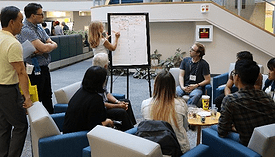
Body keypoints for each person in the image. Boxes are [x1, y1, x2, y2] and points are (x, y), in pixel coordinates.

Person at [218, 59, 275, 146]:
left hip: (245, 147)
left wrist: (233, 128)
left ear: (237, 77)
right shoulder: (266, 96)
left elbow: (222, 132)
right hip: (266, 146)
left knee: (212, 129)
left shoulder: (230, 100)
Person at [0, 6, 33, 157]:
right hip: (8, 90)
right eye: (20, 21)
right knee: (20, 126)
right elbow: (21, 72)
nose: (22, 25)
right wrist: (27, 97)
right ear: (11, 22)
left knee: (3, 127)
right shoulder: (13, 44)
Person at [17, 3, 58, 114]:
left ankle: (51, 122)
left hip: (44, 67)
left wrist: (49, 45)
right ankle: (39, 127)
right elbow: (44, 47)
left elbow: (49, 43)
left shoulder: (39, 27)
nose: (43, 17)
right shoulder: (26, 30)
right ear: (33, 15)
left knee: (47, 96)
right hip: (33, 69)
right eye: (41, 14)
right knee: (37, 98)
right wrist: (47, 46)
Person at [141, 70, 190, 154]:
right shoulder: (181, 104)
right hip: (178, 150)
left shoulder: (145, 104)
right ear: (173, 87)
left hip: (153, 150)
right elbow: (185, 127)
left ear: (155, 85)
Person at [92, 53, 136, 131]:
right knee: (121, 112)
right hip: (100, 109)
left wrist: (117, 102)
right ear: (105, 66)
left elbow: (106, 93)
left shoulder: (103, 75)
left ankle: (131, 126)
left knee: (126, 101)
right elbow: (100, 104)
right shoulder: (94, 79)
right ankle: (129, 131)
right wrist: (118, 106)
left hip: (104, 104)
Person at [63, 66, 114, 133]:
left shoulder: (81, 91)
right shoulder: (96, 99)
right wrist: (108, 121)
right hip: (80, 137)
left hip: (70, 132)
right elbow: (95, 128)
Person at [176, 42, 210, 106]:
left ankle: (188, 110)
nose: (190, 51)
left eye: (192, 50)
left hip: (196, 88)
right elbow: (181, 76)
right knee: (175, 92)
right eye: (190, 49)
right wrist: (183, 87)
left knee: (195, 95)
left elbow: (208, 80)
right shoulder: (185, 60)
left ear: (198, 53)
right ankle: (178, 109)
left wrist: (196, 85)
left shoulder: (204, 64)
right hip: (184, 86)